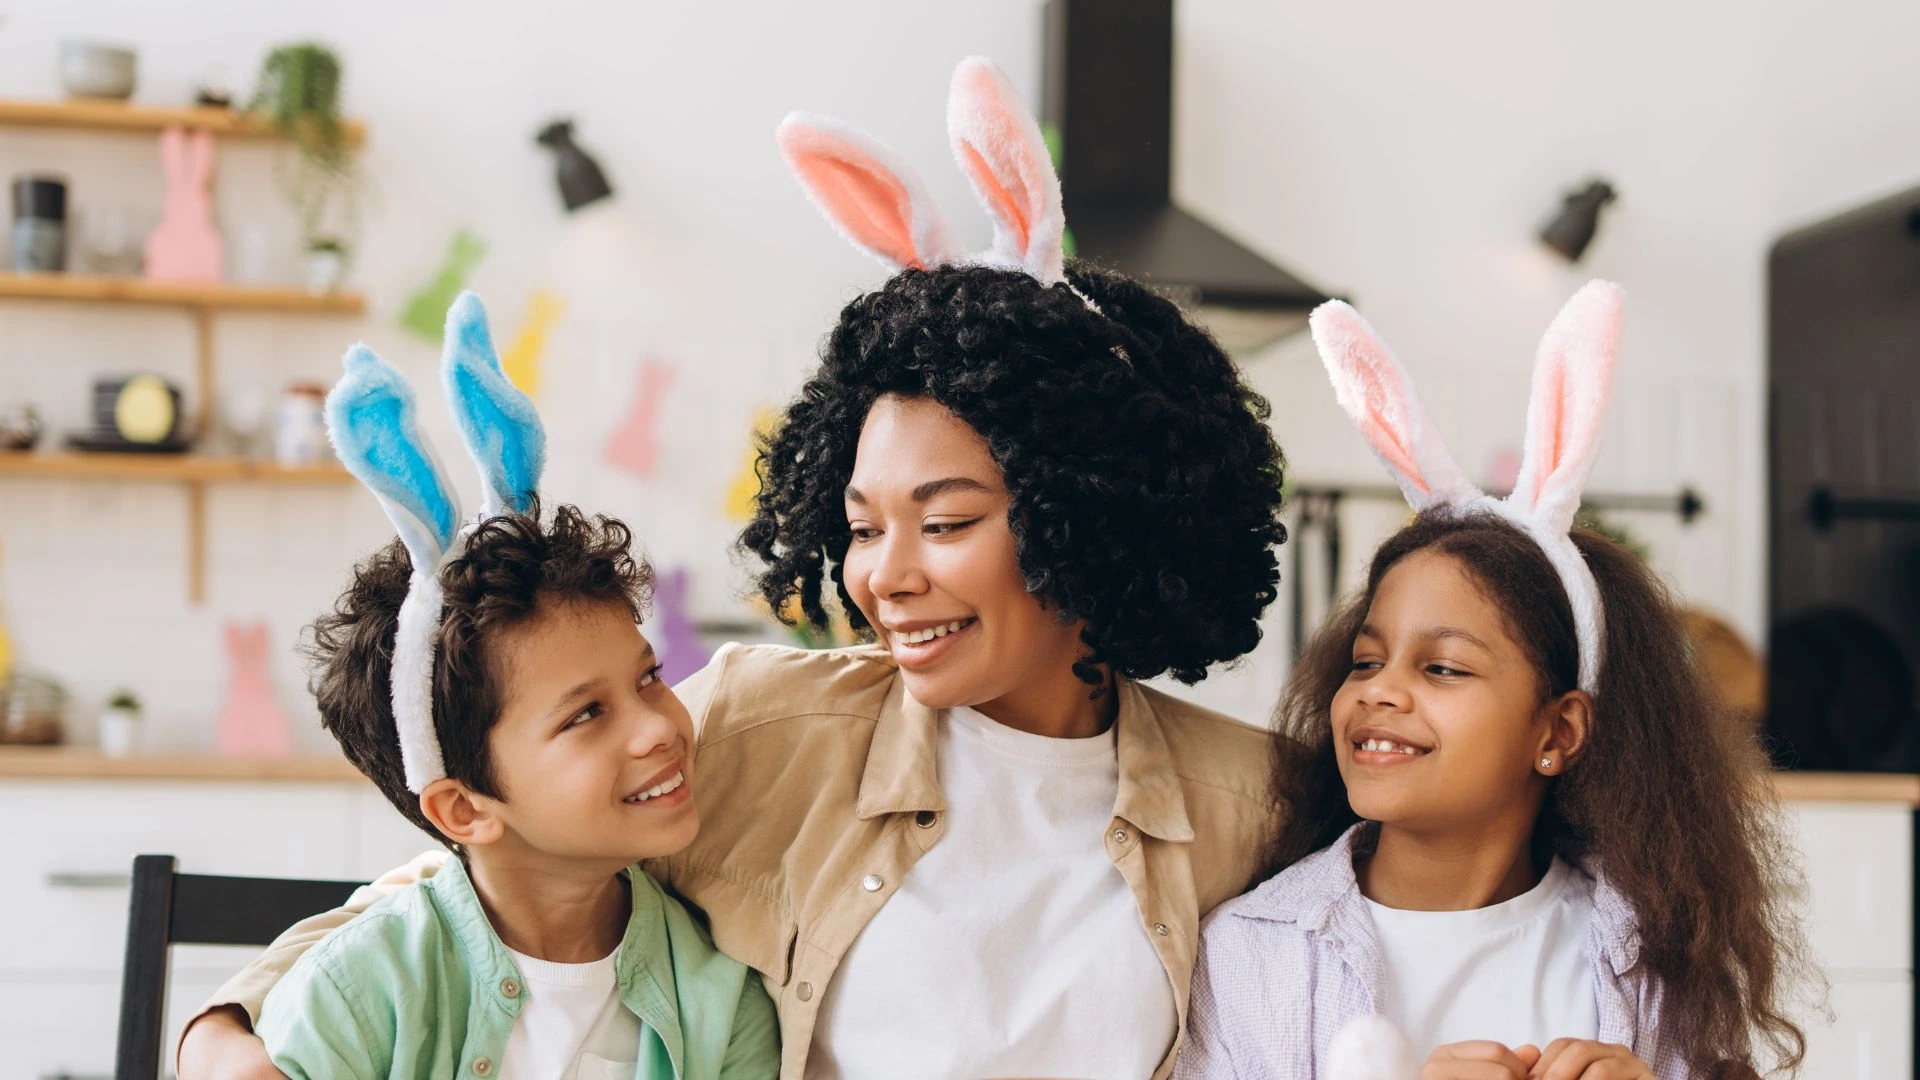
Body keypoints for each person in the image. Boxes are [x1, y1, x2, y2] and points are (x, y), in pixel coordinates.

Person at [179, 57, 1288, 1080]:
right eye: (861, 527)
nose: (883, 579)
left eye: (944, 524)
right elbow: (478, 880)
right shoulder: (767, 730)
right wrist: (225, 1036)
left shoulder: (1251, 805)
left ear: (1089, 518)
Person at [1177, 284, 1810, 1079]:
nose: (1379, 690)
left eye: (1441, 667)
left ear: (1558, 733)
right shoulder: (1251, 954)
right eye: (1367, 661)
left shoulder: (1645, 955)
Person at [254, 296, 775, 1078]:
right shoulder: (358, 997)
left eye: (649, 679)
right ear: (464, 807)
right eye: (587, 714)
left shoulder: (720, 1000)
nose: (660, 727)